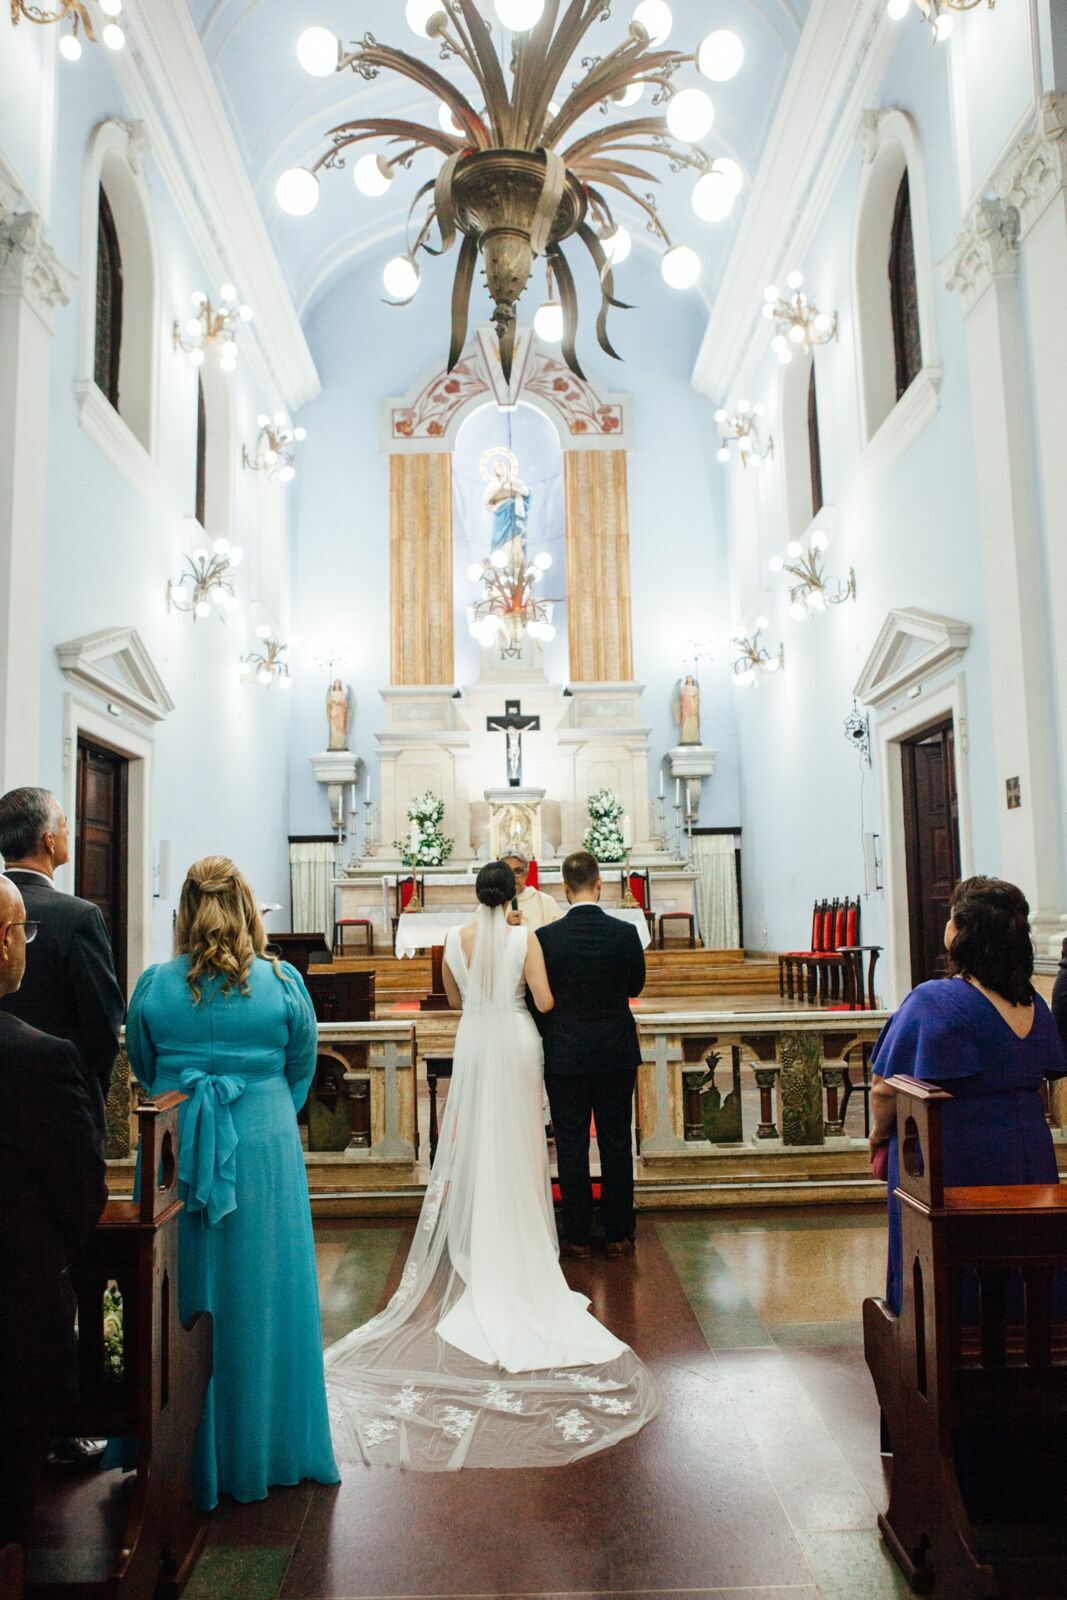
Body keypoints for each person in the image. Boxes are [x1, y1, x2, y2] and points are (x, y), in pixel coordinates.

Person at [323, 860, 657, 1471]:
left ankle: (487, 1238)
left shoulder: (454, 939)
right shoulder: (524, 935)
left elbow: (457, 997)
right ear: (517, 896)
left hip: (477, 1042)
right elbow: (546, 998)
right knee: (531, 1143)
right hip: (523, 1041)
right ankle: (559, 1236)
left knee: (482, 1139)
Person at [122, 856, 339, 1510]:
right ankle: (267, 1448)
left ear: (184, 910)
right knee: (265, 1289)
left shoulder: (155, 985)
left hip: (174, 1151)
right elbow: (301, 1066)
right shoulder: (281, 982)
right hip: (263, 1145)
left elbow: (141, 1061)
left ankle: (173, 1446)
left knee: (179, 1286)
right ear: (247, 907)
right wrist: (261, 1105)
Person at [869, 875, 1067, 1315]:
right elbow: (1039, 1081)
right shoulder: (1033, 1004)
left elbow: (885, 1090)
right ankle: (1029, 1338)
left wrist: (879, 1136)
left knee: (949, 1260)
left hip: (952, 1161)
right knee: (1023, 1257)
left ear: (963, 931)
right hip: (1027, 1156)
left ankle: (935, 1342)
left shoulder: (934, 1000)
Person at [0, 875, 107, 1550]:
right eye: (21, 932)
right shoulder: (38, 1058)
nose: (26, 946)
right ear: (3, 942)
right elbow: (80, 1192)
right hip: (13, 1307)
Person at [536, 851, 646, 1260]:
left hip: (566, 1053)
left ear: (565, 889)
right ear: (599, 885)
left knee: (571, 1143)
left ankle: (578, 1234)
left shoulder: (548, 938)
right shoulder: (625, 933)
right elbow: (635, 987)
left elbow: (538, 999)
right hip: (616, 1051)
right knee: (617, 1141)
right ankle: (618, 1231)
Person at [0, 787, 125, 1145]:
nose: (70, 832)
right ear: (49, 841)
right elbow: (103, 1019)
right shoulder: (78, 916)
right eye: (66, 825)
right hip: (58, 1106)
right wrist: (90, 1092)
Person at [502, 851, 561, 931]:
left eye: (518, 871)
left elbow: (559, 933)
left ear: (526, 874)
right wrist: (505, 925)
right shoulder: (492, 904)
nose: (512, 876)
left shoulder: (546, 902)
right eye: (507, 872)